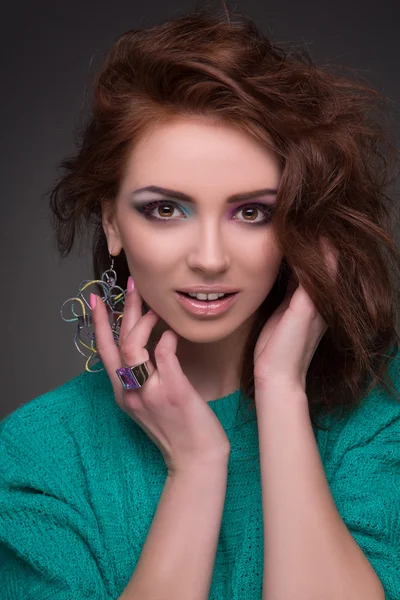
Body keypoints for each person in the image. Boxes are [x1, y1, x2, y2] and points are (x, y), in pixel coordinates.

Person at [1, 4, 400, 599]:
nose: (210, 257)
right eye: (165, 209)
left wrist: (281, 388)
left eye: (252, 212)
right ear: (112, 221)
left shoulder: (375, 416)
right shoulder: (37, 455)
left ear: (299, 223)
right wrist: (195, 468)